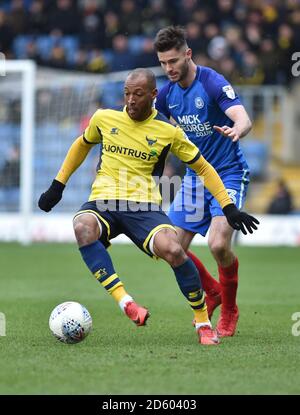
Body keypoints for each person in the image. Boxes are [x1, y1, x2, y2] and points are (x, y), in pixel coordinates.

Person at [38, 68, 258, 346]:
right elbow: (81, 145)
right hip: (104, 201)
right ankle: (126, 303)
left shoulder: (168, 132)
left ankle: (203, 322)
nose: (130, 100)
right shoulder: (104, 118)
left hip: (143, 206)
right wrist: (58, 185)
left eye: (138, 94)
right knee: (82, 226)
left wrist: (228, 206)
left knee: (175, 250)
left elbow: (202, 166)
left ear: (154, 95)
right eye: (127, 94)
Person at [154, 26, 254, 337]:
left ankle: (231, 309)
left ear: (188, 54)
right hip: (195, 177)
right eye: (162, 63)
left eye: (173, 61)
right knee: (168, 248)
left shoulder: (212, 82)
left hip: (227, 173)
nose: (169, 68)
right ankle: (213, 292)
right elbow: (155, 129)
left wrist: (237, 130)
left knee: (218, 243)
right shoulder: (168, 95)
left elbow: (243, 117)